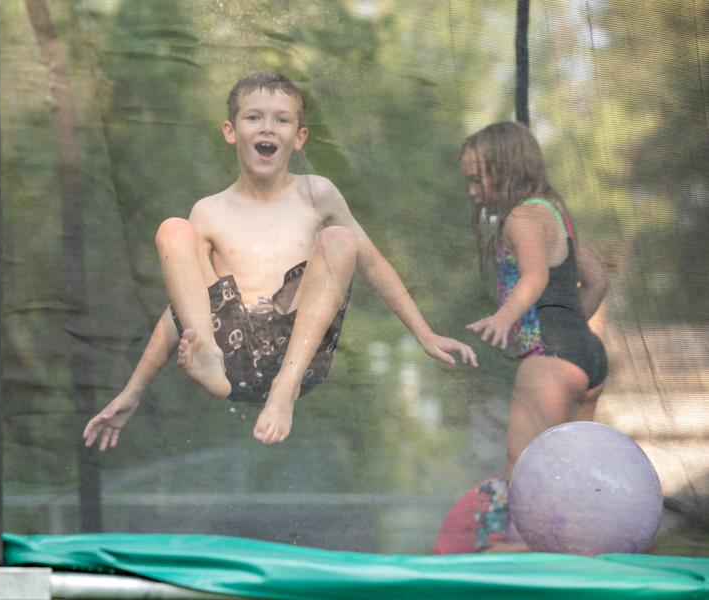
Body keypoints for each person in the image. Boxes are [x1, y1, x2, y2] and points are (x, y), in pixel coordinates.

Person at [83, 71, 476, 451]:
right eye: (254, 118)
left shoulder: (317, 194)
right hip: (228, 353)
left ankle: (283, 390)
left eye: (282, 120)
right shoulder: (209, 212)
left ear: (299, 137)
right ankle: (209, 361)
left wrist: (424, 333)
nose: (268, 128)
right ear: (230, 131)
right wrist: (134, 390)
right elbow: (179, 309)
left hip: (299, 352)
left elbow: (372, 264)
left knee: (341, 239)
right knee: (173, 230)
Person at [437, 121, 609, 553]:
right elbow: (598, 280)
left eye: (478, 179)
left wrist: (505, 318)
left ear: (507, 168)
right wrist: (570, 332)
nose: (472, 191)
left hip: (550, 363)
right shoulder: (554, 213)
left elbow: (533, 277)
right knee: (566, 473)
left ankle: (524, 550)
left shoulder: (521, 217)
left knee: (522, 469)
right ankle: (571, 547)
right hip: (587, 358)